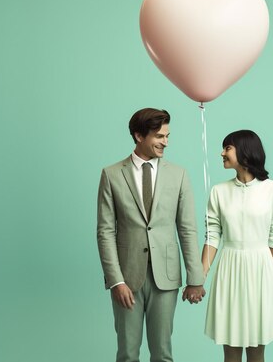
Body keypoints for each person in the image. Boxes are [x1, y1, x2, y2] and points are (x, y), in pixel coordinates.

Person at [97, 108, 206, 362]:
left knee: (162, 353)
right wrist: (116, 281)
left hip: (166, 277)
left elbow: (187, 229)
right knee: (127, 353)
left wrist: (195, 278)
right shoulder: (111, 174)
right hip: (126, 277)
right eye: (159, 136)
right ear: (138, 136)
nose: (165, 142)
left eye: (167, 136)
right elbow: (105, 232)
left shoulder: (178, 174)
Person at [201, 130, 273, 362]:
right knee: (230, 348)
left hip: (261, 270)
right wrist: (200, 275)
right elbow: (212, 235)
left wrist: (265, 271)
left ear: (245, 151)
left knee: (257, 349)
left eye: (227, 148)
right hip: (229, 268)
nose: (222, 153)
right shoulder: (218, 191)